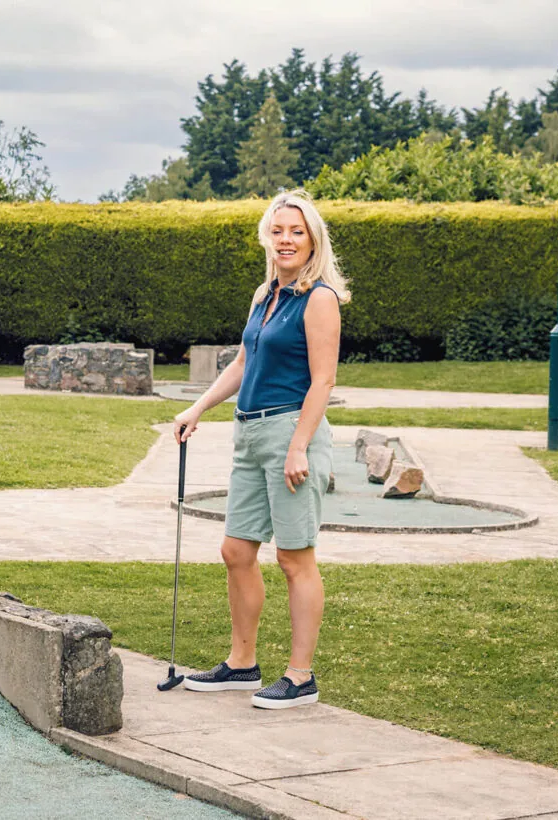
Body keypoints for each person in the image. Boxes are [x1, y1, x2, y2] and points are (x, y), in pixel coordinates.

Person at [171, 189, 349, 709]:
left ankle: (301, 676)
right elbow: (243, 362)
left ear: (312, 239)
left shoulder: (319, 299)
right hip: (249, 433)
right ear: (266, 238)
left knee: (294, 558)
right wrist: (197, 408)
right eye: (278, 231)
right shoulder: (264, 294)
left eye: (296, 231)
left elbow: (324, 380)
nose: (286, 239)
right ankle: (242, 664)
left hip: (291, 432)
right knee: (236, 551)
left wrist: (299, 446)